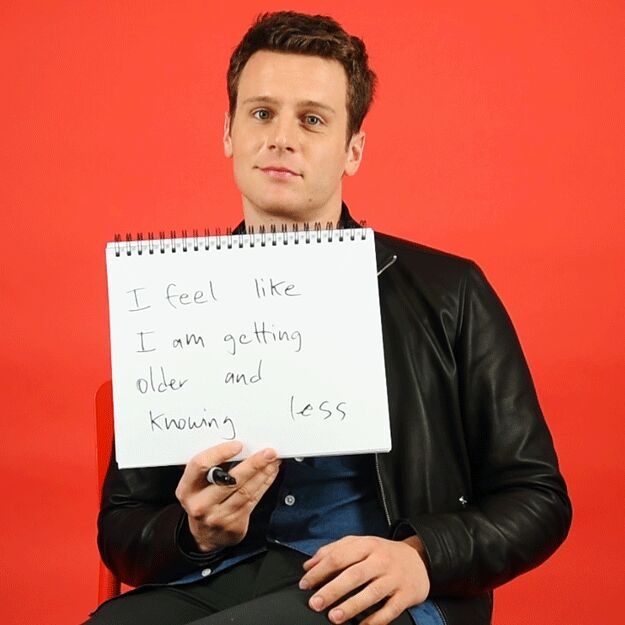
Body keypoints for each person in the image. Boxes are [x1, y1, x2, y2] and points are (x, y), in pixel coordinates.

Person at [86, 11, 571, 625]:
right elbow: (122, 530)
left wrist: (421, 555)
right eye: (261, 113)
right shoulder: (172, 297)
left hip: (375, 582)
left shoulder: (451, 291)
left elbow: (538, 498)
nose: (281, 138)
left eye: (312, 119)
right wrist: (194, 532)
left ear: (353, 149)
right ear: (229, 132)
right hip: (222, 576)